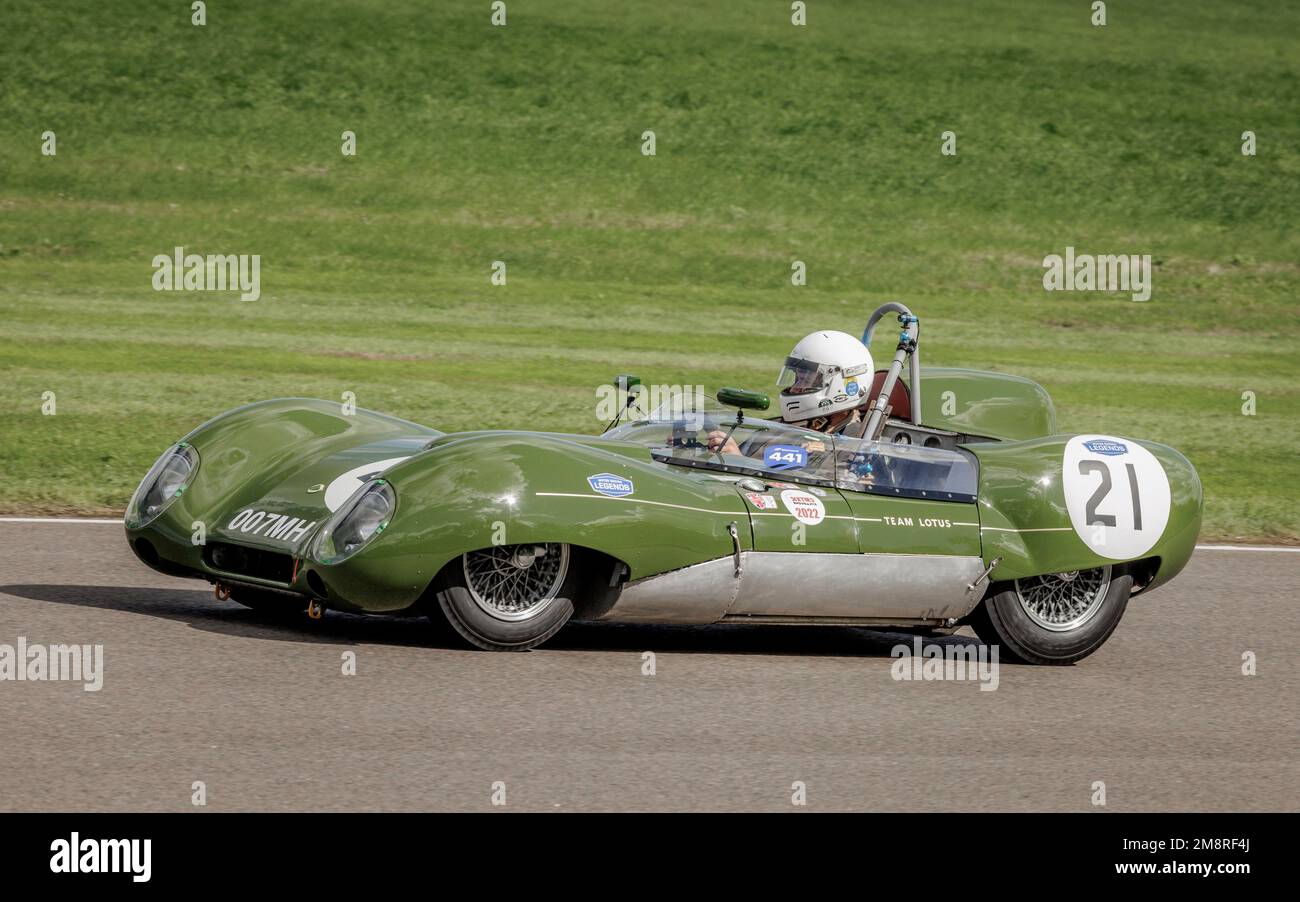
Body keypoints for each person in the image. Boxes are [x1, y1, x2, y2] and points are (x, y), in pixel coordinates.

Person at [774, 330, 875, 434]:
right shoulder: (806, 423)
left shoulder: (855, 440)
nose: (794, 389)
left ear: (838, 386)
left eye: (806, 381)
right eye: (797, 379)